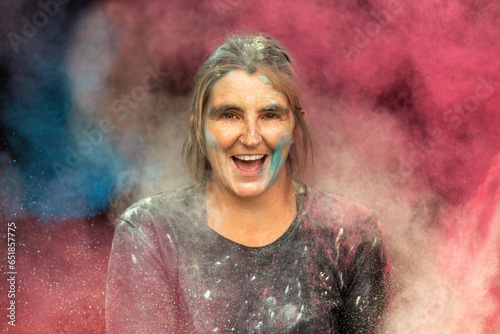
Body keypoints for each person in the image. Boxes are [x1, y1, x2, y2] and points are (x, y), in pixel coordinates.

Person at [106, 34, 389, 333]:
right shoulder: (151, 231)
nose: (251, 137)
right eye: (230, 115)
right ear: (199, 127)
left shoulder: (350, 235)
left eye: (270, 115)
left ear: (294, 126)